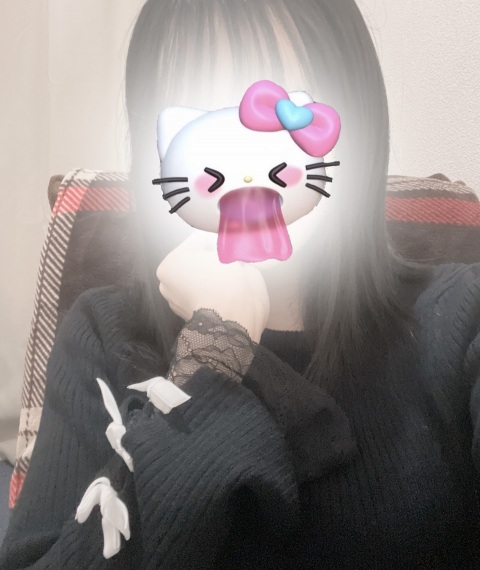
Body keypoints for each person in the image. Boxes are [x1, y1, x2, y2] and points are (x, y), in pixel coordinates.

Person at [1, 0, 479, 568]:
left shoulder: (460, 313)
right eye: (204, 114)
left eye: (273, 111)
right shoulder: (102, 333)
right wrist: (214, 357)